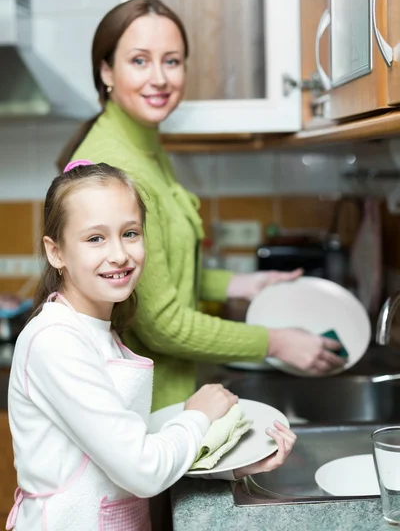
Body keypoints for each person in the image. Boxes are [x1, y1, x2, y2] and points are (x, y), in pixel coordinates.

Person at [57, 0, 345, 412]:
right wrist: (277, 341)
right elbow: (163, 325)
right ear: (106, 70)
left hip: (165, 402)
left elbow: (155, 271)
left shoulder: (144, 145)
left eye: (172, 61)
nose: (159, 78)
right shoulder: (117, 168)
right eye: (139, 61)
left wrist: (236, 284)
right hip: (141, 415)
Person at [6, 161, 296, 531]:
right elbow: (142, 470)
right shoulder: (55, 342)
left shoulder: (97, 329)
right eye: (95, 238)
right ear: (56, 252)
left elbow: (128, 451)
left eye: (130, 233)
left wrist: (230, 467)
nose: (119, 254)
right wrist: (198, 414)